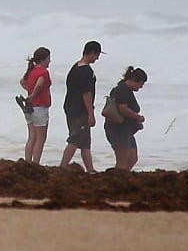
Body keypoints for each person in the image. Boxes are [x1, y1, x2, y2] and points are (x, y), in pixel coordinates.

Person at [59, 40, 103, 172]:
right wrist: (91, 113)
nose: (97, 58)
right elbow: (86, 93)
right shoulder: (86, 71)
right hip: (80, 110)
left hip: (70, 107)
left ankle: (90, 170)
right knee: (75, 138)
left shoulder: (75, 68)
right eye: (97, 54)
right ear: (90, 53)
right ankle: (62, 167)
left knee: (85, 142)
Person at [103, 66, 149, 171]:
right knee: (122, 161)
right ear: (133, 80)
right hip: (117, 130)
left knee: (132, 159)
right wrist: (137, 117)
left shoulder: (125, 90)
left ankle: (121, 178)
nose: (141, 87)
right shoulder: (122, 89)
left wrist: (135, 122)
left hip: (126, 130)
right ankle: (117, 180)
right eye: (141, 83)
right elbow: (123, 109)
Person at [19, 46, 51, 164]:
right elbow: (39, 84)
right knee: (40, 138)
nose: (49, 61)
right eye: (48, 58)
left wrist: (29, 91)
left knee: (32, 136)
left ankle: (28, 162)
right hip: (39, 107)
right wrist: (33, 95)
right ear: (42, 59)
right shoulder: (43, 72)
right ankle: (36, 163)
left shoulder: (31, 71)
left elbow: (22, 82)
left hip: (29, 108)